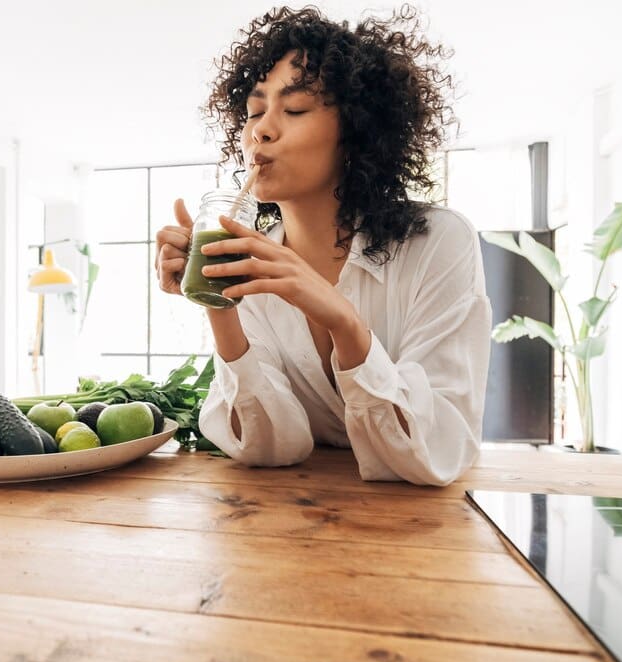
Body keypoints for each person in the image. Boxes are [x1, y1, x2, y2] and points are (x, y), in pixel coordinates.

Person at [154, 5, 491, 486]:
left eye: (294, 109)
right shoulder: (249, 257)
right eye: (254, 111)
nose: (261, 130)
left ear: (355, 131)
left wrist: (344, 322)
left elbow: (438, 451)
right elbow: (268, 448)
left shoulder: (438, 243)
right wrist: (219, 300)